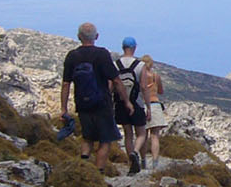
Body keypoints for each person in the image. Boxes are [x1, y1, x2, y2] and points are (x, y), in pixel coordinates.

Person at [60, 22, 132, 174]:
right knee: (105, 141)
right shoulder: (102, 54)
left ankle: (83, 168)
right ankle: (98, 174)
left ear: (79, 36)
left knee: (87, 138)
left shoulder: (72, 56)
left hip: (82, 103)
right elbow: (116, 80)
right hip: (102, 103)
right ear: (97, 36)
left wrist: (64, 109)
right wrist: (126, 101)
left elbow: (66, 84)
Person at [113, 37, 148, 174]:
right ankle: (135, 152)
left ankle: (131, 164)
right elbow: (144, 87)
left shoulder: (116, 65)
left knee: (128, 133)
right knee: (141, 133)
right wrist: (148, 106)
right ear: (134, 48)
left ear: (123, 47)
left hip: (121, 103)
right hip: (137, 103)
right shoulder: (140, 66)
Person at [137, 54, 167, 172]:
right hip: (155, 104)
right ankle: (155, 162)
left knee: (142, 135)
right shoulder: (156, 76)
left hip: (142, 105)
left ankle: (143, 160)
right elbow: (161, 91)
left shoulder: (139, 77)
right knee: (155, 136)